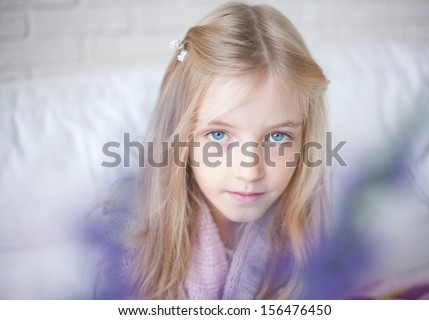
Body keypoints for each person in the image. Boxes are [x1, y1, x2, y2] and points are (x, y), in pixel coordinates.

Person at [99, 2, 329, 300]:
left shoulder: (309, 231)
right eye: (218, 135)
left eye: (277, 137)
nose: (249, 171)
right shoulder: (128, 235)